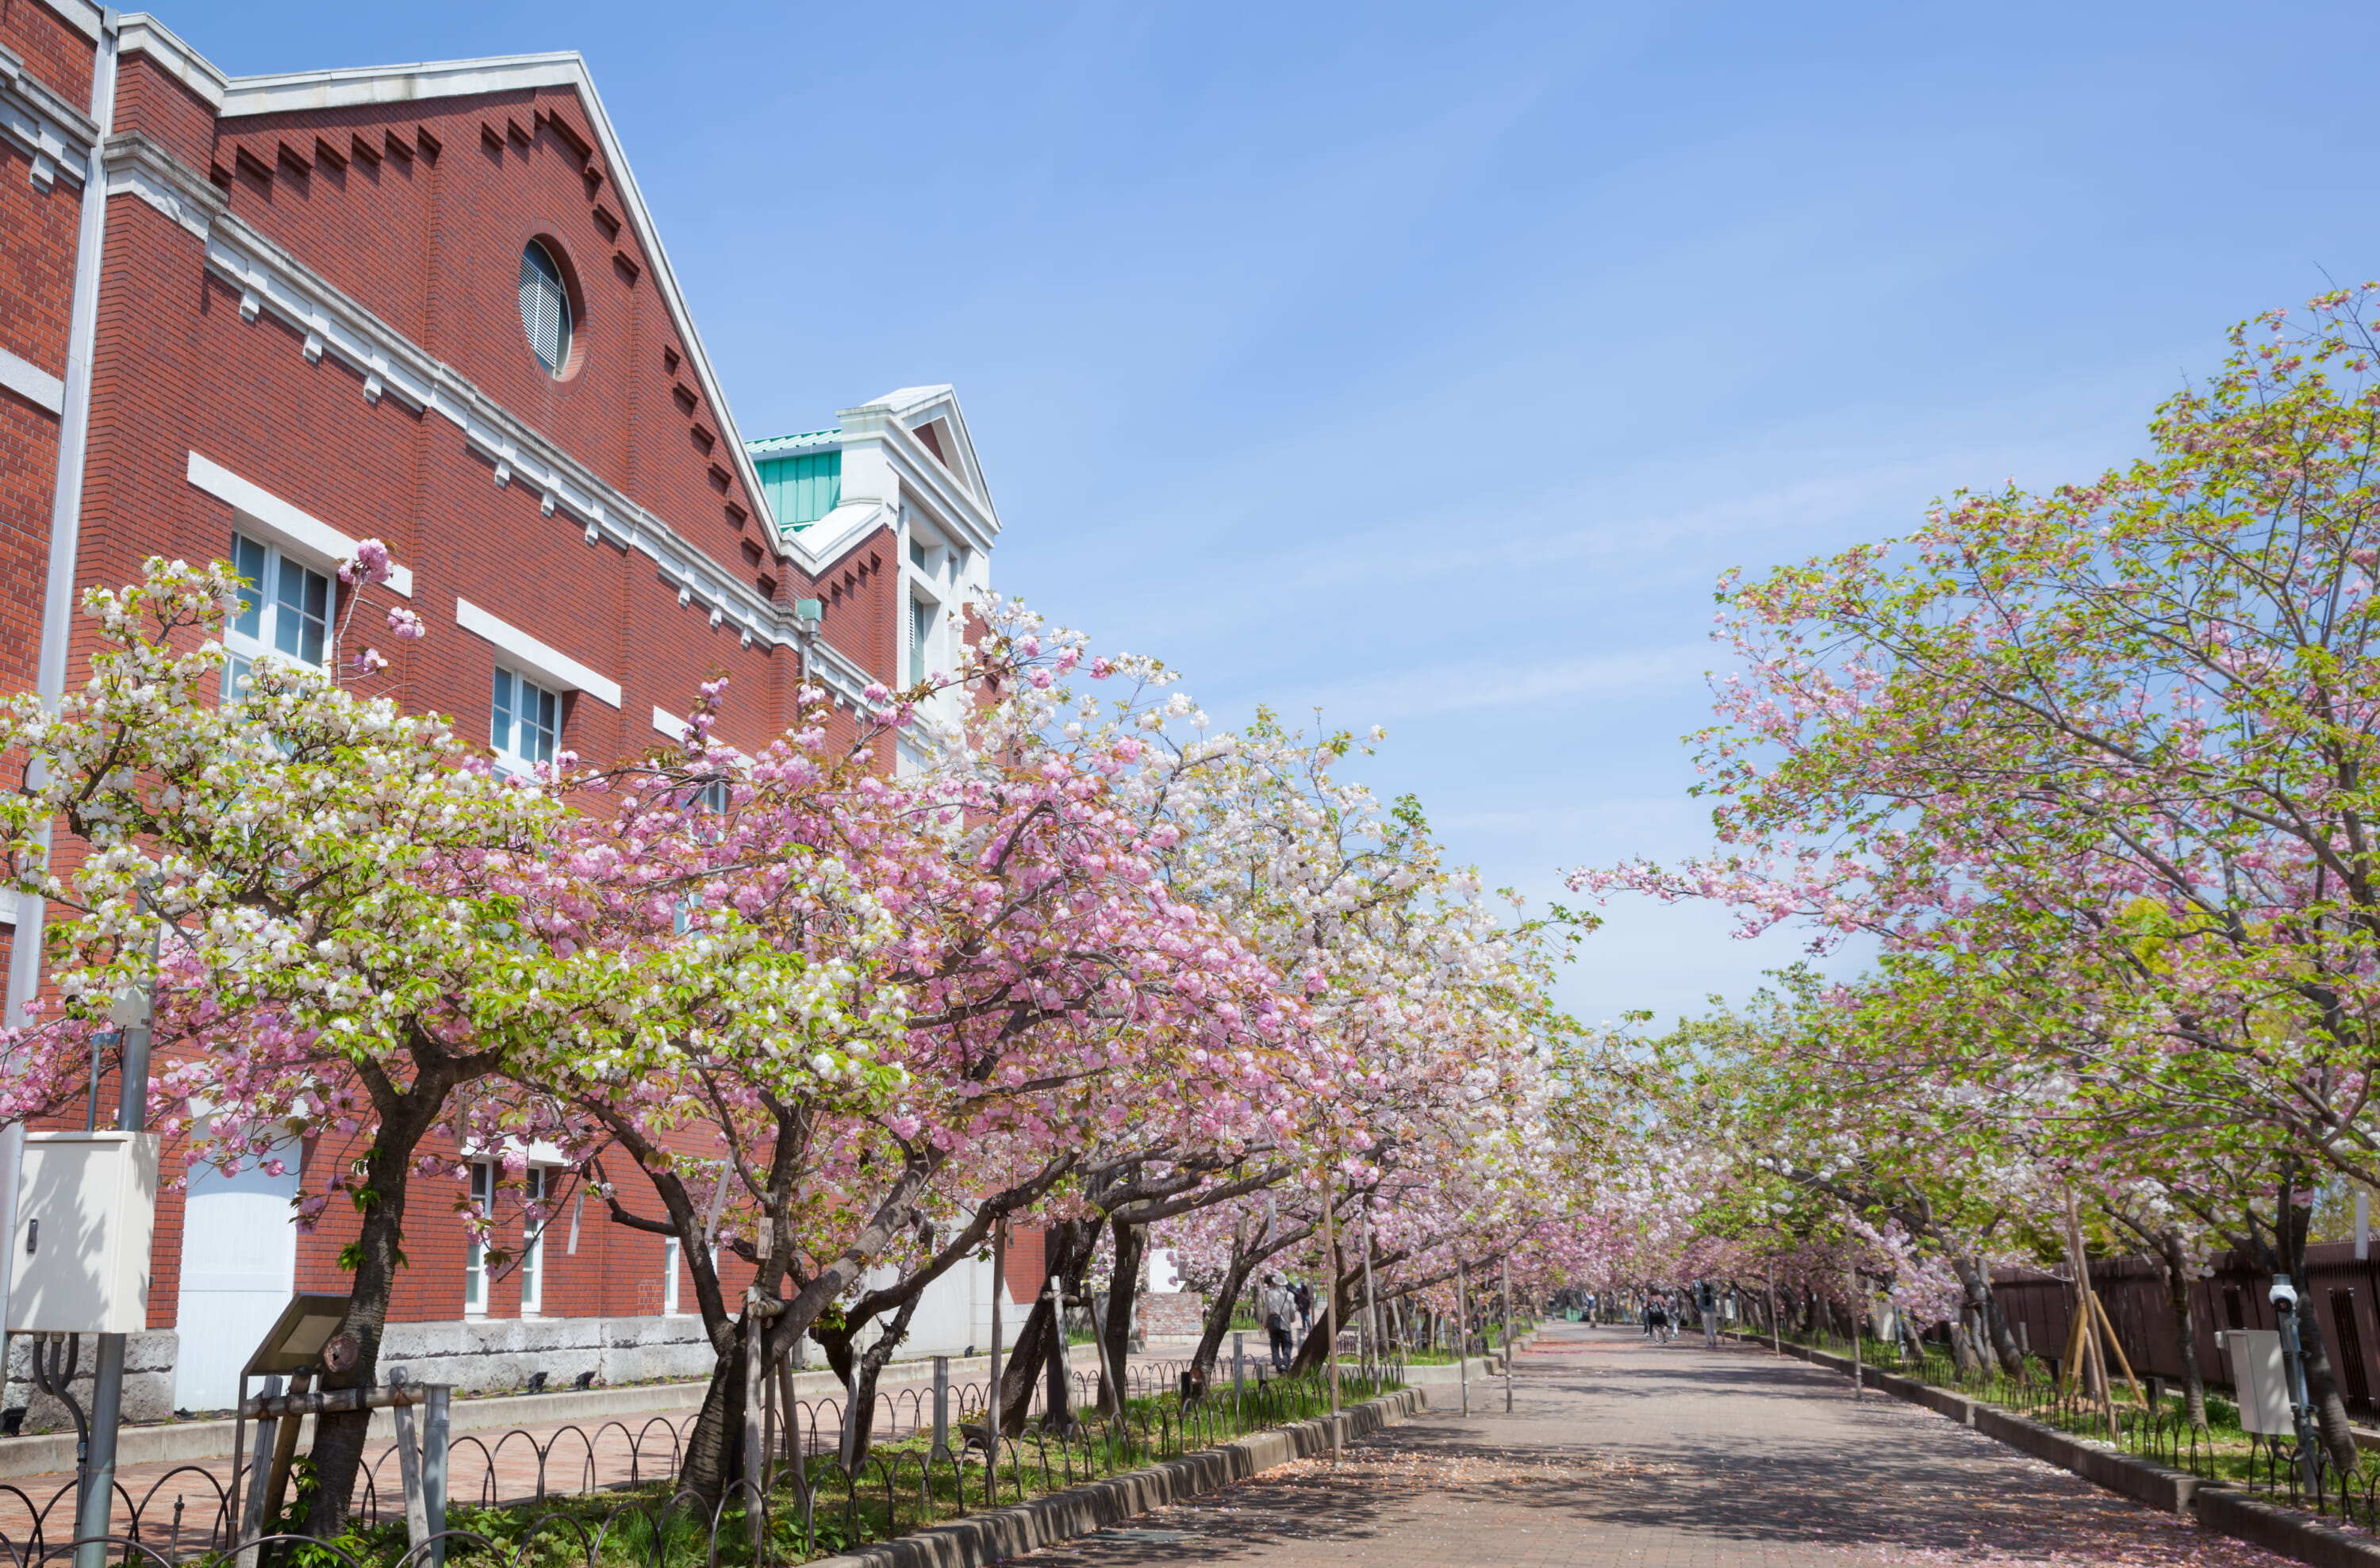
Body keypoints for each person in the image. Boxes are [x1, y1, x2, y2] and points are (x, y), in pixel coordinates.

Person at [1261, 1272, 1296, 1371]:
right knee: (1288, 1344)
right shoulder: (1290, 1295)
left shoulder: (1270, 1294)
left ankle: (1278, 1366)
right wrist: (1292, 1319)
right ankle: (1285, 1363)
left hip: (1272, 1323)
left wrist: (1264, 1324)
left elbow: (1266, 1310)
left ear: (1275, 1283)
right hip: (1285, 1323)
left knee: (1274, 1345)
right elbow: (1292, 1310)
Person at [1292, 1278, 1315, 1343]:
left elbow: (1310, 1303)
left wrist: (1309, 1309)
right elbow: (1298, 1302)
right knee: (1303, 1319)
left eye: (1302, 1288)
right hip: (1302, 1309)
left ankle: (1309, 1328)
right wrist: (1297, 1306)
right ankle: (1304, 1328)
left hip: (1306, 1309)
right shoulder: (1300, 1295)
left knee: (1307, 1318)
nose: (1300, 1289)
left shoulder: (1307, 1296)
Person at [1699, 1280, 1719, 1348]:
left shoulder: (1701, 1295)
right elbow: (1712, 1287)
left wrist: (1698, 1281)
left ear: (1703, 1289)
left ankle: (1710, 1343)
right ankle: (1715, 1343)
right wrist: (1710, 1280)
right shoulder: (1712, 1294)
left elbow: (1699, 1306)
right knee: (1714, 1328)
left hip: (1705, 1313)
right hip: (1712, 1312)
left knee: (1707, 1328)